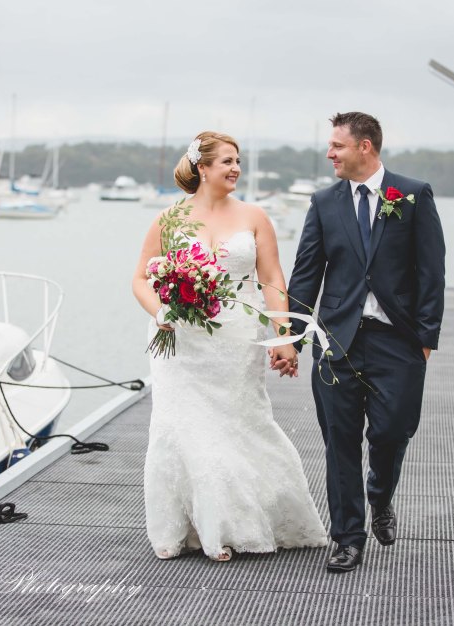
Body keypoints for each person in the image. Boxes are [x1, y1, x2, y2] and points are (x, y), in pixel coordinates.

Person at [132, 131, 328, 562]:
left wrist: (283, 335)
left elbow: (272, 279)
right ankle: (199, 526)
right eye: (227, 161)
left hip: (238, 339)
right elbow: (141, 279)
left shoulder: (254, 216)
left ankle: (239, 520)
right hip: (181, 343)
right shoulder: (169, 219)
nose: (236, 168)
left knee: (243, 422)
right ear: (202, 168)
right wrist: (160, 312)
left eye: (238, 161)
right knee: (181, 428)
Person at [281, 112, 446, 573]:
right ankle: (348, 538)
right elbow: (306, 274)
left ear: (365, 147)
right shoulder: (323, 202)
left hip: (398, 341)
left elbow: (432, 271)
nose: (329, 154)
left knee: (393, 432)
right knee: (340, 441)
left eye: (337, 146)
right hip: (337, 341)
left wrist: (425, 339)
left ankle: (380, 493)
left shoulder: (412, 195)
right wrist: (292, 339)